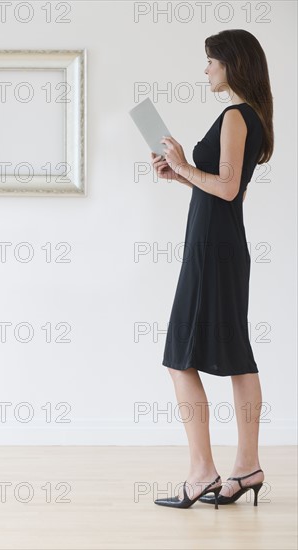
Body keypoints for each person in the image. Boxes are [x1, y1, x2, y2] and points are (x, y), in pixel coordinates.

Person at [151, 29, 274, 509]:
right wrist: (178, 174)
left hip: (211, 249)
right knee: (234, 353)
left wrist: (183, 164)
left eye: (210, 62)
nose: (205, 71)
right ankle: (246, 468)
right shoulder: (251, 118)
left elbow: (226, 190)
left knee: (180, 354)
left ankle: (203, 472)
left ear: (231, 64)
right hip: (221, 244)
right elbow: (228, 193)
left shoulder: (234, 118)